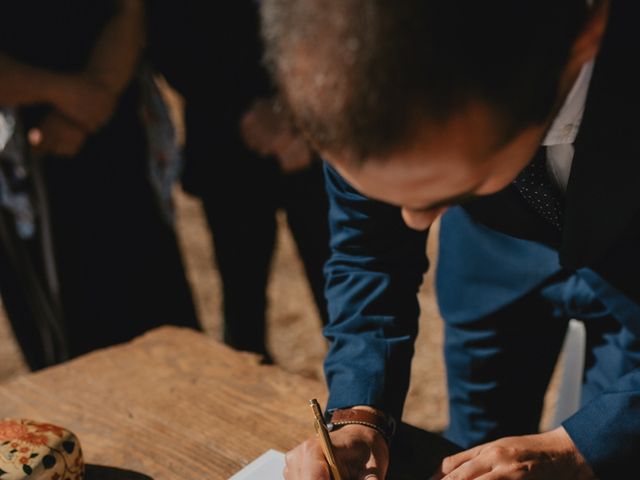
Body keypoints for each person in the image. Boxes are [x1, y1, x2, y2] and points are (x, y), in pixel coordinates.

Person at [260, 0, 639, 478]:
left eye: (450, 190)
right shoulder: (356, 76)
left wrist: (583, 445)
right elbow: (369, 250)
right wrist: (359, 410)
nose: (414, 222)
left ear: (579, 43)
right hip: (490, 269)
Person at [0, 0, 200, 370]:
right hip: (30, 170)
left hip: (118, 141)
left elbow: (130, 11)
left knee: (160, 317)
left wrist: (90, 102)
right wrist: (69, 95)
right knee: (73, 353)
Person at [148, 1, 330, 361]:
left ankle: (368, 409)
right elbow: (166, 33)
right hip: (227, 148)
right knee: (242, 309)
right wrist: (241, 109)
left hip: (321, 135)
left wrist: (300, 112)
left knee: (349, 298)